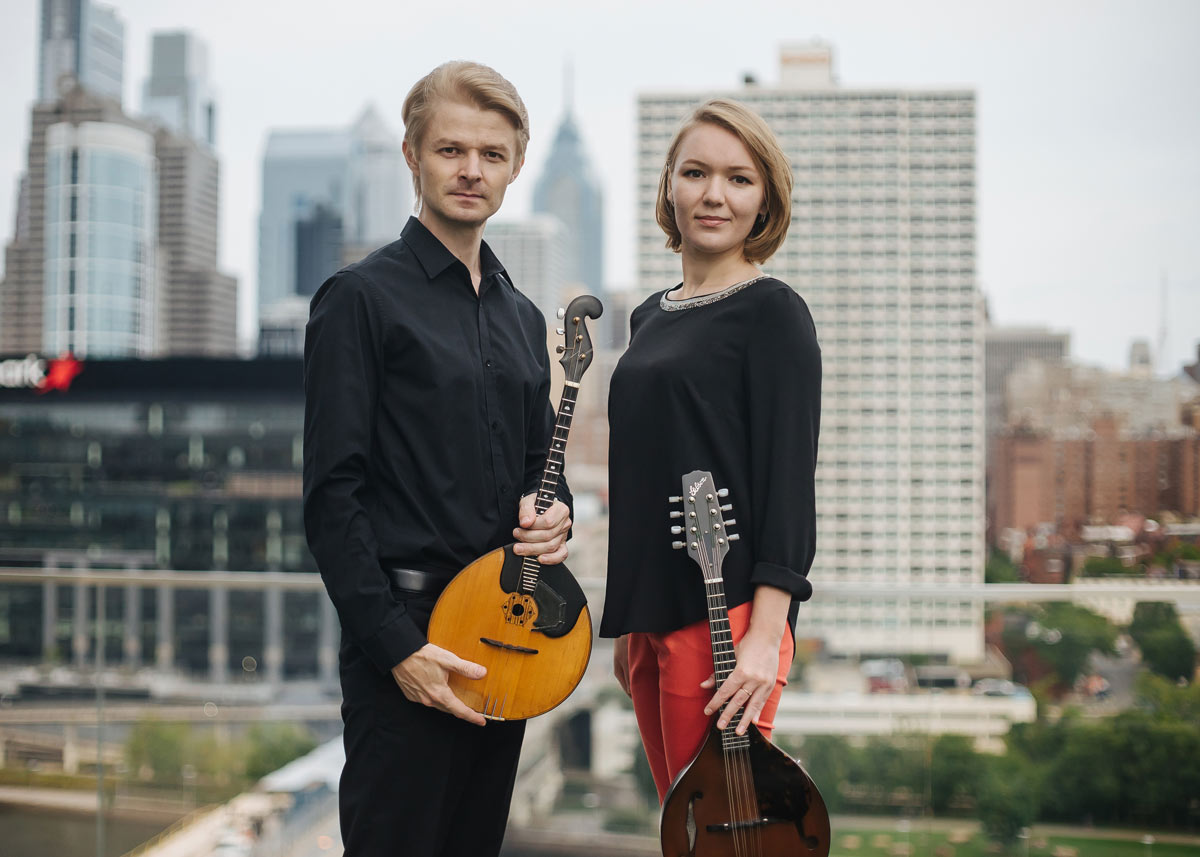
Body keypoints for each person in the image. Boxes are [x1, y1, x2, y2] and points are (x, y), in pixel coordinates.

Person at [303, 61, 572, 857]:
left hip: (504, 643)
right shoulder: (358, 298)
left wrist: (550, 519)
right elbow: (331, 497)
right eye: (451, 149)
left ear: (516, 165)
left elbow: (533, 476)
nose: (471, 170)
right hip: (407, 643)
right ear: (412, 155)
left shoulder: (524, 317)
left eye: (491, 154)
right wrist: (397, 650)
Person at [602, 98, 821, 801]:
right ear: (669, 183)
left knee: (719, 833)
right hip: (649, 617)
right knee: (681, 827)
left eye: (739, 179)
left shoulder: (773, 312)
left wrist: (766, 633)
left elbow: (789, 479)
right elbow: (640, 475)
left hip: (723, 618)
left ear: (765, 202)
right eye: (696, 172)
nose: (714, 195)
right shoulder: (648, 315)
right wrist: (629, 624)